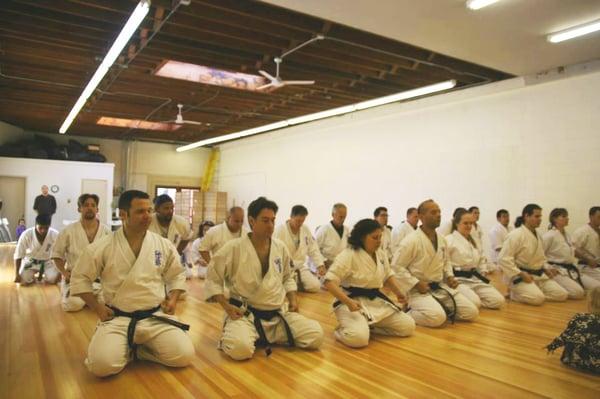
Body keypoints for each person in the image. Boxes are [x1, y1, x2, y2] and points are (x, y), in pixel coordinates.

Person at [70, 190, 194, 377]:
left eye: (150, 210)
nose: (148, 216)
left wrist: (173, 299)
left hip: (154, 316)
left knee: (183, 355)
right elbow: (79, 278)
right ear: (122, 214)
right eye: (140, 211)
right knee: (101, 366)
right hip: (118, 318)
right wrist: (96, 307)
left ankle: (136, 352)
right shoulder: (103, 246)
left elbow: (176, 274)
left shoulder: (162, 244)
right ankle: (129, 349)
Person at [204, 196, 323, 360]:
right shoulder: (234, 248)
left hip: (276, 316)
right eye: (265, 220)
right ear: (251, 221)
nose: (271, 226)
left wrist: (293, 300)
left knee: (316, 335)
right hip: (245, 315)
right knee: (240, 350)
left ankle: (260, 336)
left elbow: (288, 277)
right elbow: (213, 278)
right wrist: (226, 306)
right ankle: (245, 333)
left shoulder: (280, 248)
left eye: (273, 220)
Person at [324, 219, 415, 348]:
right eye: (374, 238)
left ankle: (369, 327)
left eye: (380, 237)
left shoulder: (381, 254)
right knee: (359, 339)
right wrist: (348, 302)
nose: (379, 241)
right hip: (351, 301)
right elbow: (329, 282)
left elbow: (388, 275)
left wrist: (399, 292)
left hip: (374, 300)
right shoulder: (348, 255)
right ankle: (340, 332)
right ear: (362, 237)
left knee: (408, 326)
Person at [392, 200, 479, 327]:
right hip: (418, 291)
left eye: (439, 212)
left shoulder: (442, 239)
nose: (438, 215)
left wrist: (449, 276)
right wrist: (416, 283)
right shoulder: (411, 240)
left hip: (439, 287)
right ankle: (407, 313)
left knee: (471, 312)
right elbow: (396, 267)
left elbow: (446, 261)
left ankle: (437, 308)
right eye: (433, 212)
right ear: (421, 216)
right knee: (437, 318)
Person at [498, 204, 568, 305]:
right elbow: (503, 258)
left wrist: (546, 268)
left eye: (540, 217)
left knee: (562, 295)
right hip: (520, 276)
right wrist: (521, 274)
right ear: (526, 216)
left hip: (538, 275)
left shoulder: (538, 235)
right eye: (536, 216)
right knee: (538, 299)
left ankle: (533, 291)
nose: (540, 219)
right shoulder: (516, 234)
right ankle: (514, 294)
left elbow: (541, 257)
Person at [51, 194, 111, 311]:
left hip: (99, 280)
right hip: (76, 279)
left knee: (106, 303)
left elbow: (112, 256)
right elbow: (57, 255)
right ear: (79, 209)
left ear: (97, 209)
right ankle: (75, 295)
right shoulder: (68, 231)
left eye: (93, 205)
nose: (89, 208)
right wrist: (64, 273)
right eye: (86, 205)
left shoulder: (106, 231)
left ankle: (91, 299)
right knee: (73, 305)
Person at [445, 210, 505, 309]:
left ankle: (471, 301)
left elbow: (481, 258)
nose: (469, 226)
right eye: (465, 223)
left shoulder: (474, 241)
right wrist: (449, 277)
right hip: (458, 280)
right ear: (456, 223)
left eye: (471, 223)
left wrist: (483, 271)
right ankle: (466, 301)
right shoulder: (449, 240)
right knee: (475, 302)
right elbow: (444, 262)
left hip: (474, 279)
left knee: (498, 301)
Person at [546, 287, 600, 375]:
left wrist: (552, 345)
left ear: (590, 303)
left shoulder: (580, 317)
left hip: (575, 360)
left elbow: (566, 335)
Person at [274, 205, 325, 293]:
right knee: (278, 287)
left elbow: (313, 248)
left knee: (315, 286)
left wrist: (320, 264)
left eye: (302, 221)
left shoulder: (305, 229)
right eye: (298, 220)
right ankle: (291, 285)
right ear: (291, 217)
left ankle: (294, 284)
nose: (300, 223)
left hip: (299, 267)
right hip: (284, 268)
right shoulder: (280, 230)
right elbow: (274, 253)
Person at [542, 208, 589, 296]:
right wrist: (547, 268)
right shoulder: (549, 236)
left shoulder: (567, 235)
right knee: (578, 293)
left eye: (567, 216)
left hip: (569, 268)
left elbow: (572, 251)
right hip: (555, 270)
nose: (567, 218)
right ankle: (548, 288)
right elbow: (540, 255)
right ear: (554, 219)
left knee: (585, 290)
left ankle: (560, 287)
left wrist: (587, 258)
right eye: (563, 216)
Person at [148, 194, 192, 276]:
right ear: (157, 209)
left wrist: (177, 252)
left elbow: (186, 238)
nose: (170, 211)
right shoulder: (148, 222)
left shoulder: (181, 222)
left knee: (173, 280)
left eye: (172, 208)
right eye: (166, 208)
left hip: (173, 255)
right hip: (154, 255)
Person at [14, 214, 59, 285]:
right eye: (40, 228)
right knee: (23, 280)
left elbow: (62, 253)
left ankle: (45, 276)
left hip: (47, 262)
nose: (43, 230)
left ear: (49, 226)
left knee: (53, 279)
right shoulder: (26, 234)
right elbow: (18, 254)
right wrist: (16, 274)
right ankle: (32, 278)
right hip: (31, 261)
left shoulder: (55, 234)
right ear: (35, 225)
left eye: (46, 228)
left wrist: (60, 273)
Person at [315, 203, 350, 271]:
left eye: (344, 217)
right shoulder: (323, 230)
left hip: (342, 265)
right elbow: (314, 250)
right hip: (325, 266)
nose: (343, 219)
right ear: (333, 215)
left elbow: (349, 249)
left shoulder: (347, 230)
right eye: (340, 217)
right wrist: (324, 261)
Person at [572, 207, 600, 286]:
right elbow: (573, 249)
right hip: (586, 266)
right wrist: (588, 259)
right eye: (599, 217)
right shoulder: (582, 231)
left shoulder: (598, 231)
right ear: (591, 217)